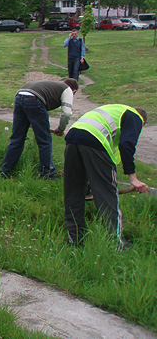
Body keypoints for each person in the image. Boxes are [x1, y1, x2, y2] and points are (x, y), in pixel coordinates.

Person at [63, 105, 148, 248]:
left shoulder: (114, 110)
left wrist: (93, 187)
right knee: (108, 196)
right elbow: (127, 144)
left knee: (74, 193)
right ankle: (115, 244)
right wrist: (133, 178)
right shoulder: (136, 116)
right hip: (95, 140)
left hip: (73, 137)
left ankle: (76, 240)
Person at [0, 79, 78, 179]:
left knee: (16, 139)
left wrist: (31, 120)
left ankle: (5, 172)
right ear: (74, 91)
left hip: (20, 95)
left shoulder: (53, 85)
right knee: (45, 141)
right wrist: (61, 129)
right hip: (34, 99)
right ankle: (47, 175)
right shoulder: (67, 90)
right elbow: (66, 113)